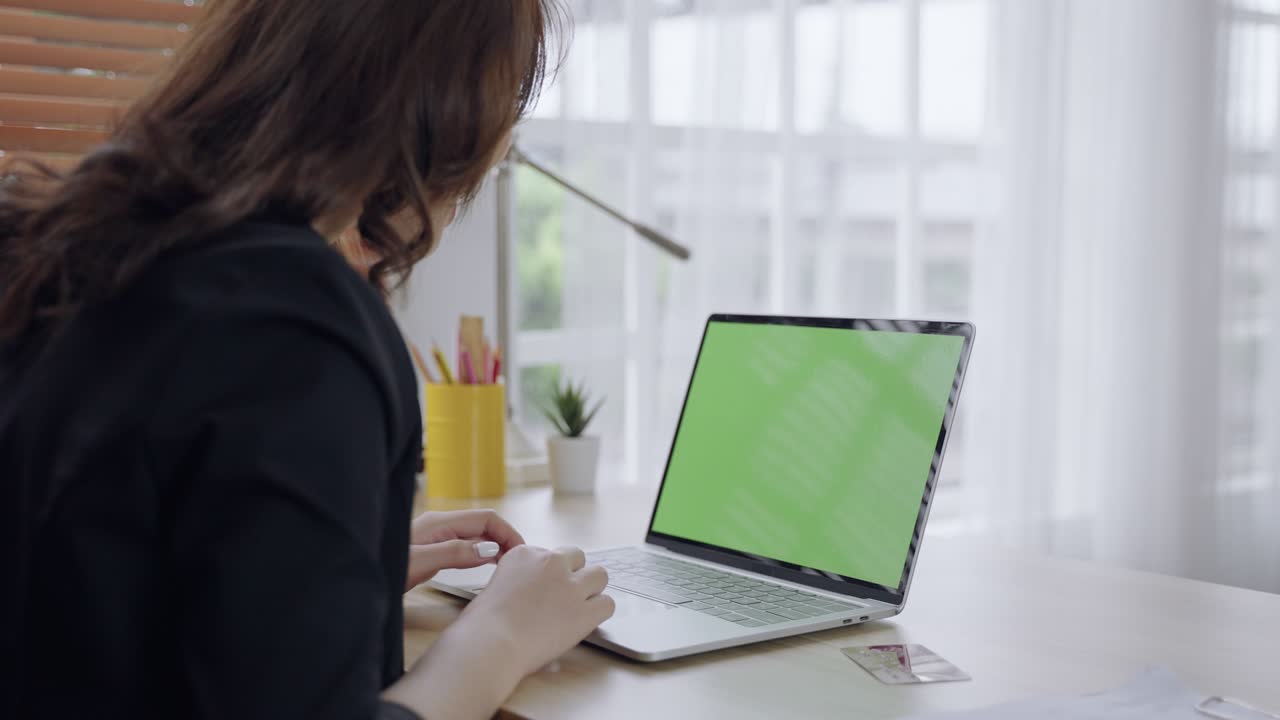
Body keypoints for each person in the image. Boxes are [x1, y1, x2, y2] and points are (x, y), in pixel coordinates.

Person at [0, 2, 614, 719]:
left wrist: (333, 564)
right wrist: (502, 635)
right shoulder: (292, 322)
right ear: (442, 114)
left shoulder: (71, 249)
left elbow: (110, 572)